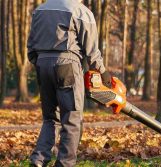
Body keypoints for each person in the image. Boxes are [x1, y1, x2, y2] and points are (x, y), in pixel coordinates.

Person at [27, 0, 111, 166]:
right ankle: (65, 163)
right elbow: (91, 49)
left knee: (50, 118)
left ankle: (38, 160)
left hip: (42, 64)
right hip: (67, 64)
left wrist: (41, 63)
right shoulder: (80, 11)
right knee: (72, 119)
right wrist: (103, 72)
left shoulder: (40, 10)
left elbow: (31, 47)